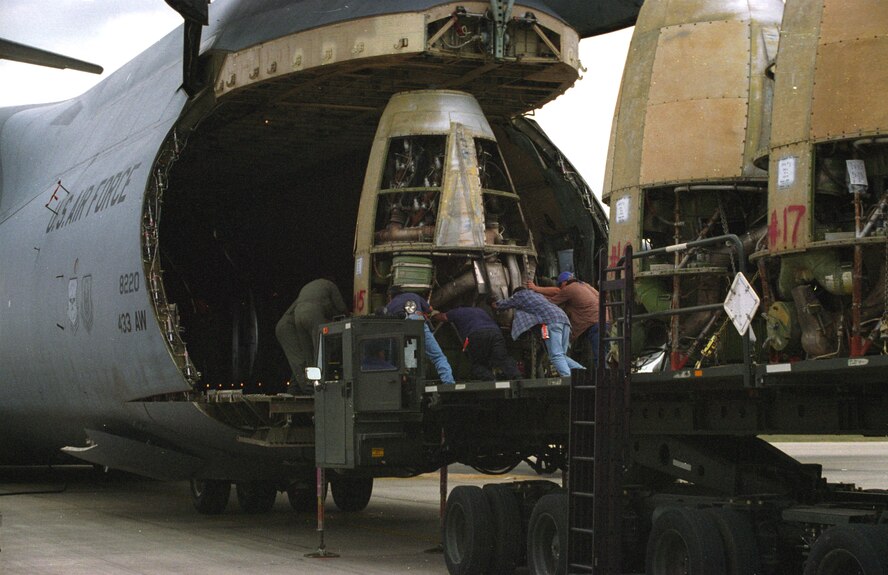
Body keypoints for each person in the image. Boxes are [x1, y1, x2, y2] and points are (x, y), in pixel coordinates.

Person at [491, 287, 585, 377]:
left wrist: (493, 303)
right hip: (564, 320)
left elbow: (502, 304)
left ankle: (568, 378)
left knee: (555, 355)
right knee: (562, 356)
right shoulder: (539, 296)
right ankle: (583, 372)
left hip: (551, 322)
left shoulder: (520, 295)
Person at [275, 278, 348, 393]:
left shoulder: (310, 291)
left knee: (307, 358)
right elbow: (341, 307)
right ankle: (313, 391)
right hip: (298, 322)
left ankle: (297, 390)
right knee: (319, 352)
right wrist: (348, 316)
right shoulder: (330, 286)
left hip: (297, 318)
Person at [527, 271, 606, 369]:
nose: (560, 288)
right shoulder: (585, 285)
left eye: (560, 285)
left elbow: (552, 300)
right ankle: (587, 374)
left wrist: (535, 290)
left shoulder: (569, 289)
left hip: (592, 324)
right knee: (600, 354)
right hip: (603, 321)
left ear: (564, 283)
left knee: (598, 356)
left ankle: (599, 379)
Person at [383, 287, 455, 384]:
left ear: (390, 296)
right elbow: (430, 309)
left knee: (409, 359)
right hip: (419, 323)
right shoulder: (413, 295)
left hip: (402, 328)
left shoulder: (389, 306)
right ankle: (449, 382)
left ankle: (409, 383)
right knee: (437, 356)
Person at [433, 306, 521, 381]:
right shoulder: (480, 310)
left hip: (475, 335)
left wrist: (432, 315)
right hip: (495, 333)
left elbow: (443, 317)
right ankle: (516, 377)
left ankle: (490, 380)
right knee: (502, 358)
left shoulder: (457, 311)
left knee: (477, 364)